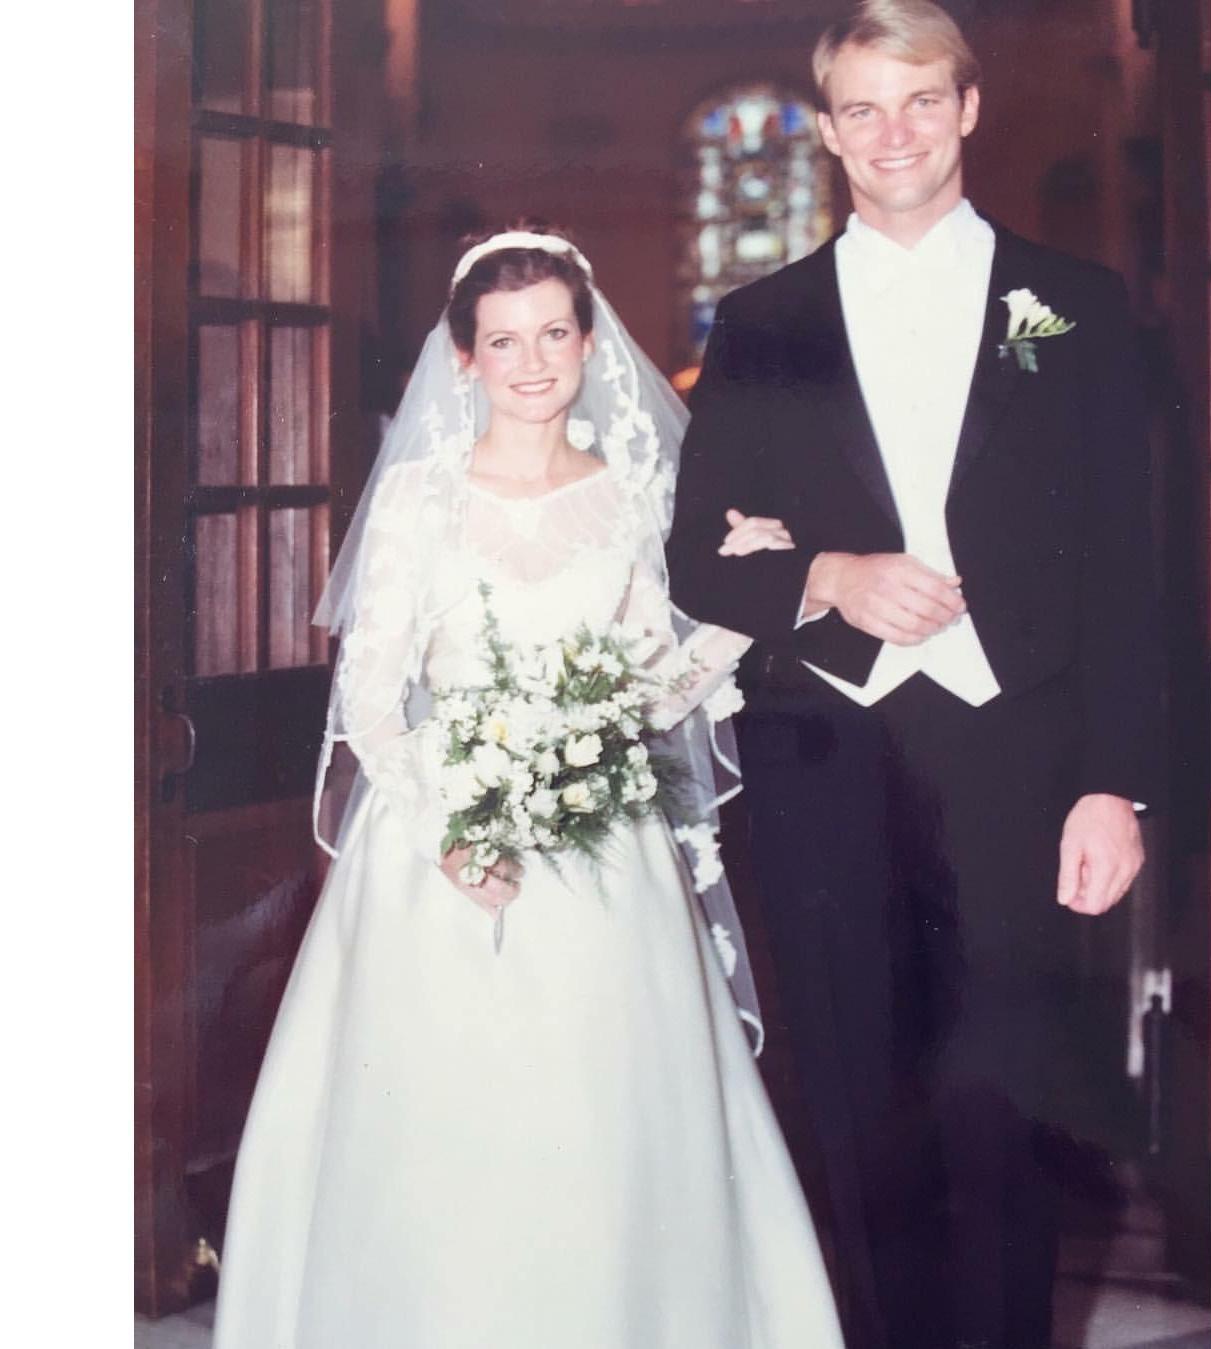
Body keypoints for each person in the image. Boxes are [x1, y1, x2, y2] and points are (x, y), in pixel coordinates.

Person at [211, 227, 846, 1349]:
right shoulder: (418, 498)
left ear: (589, 339)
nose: (533, 359)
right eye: (503, 340)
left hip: (604, 844)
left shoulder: (638, 493)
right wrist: (449, 830)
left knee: (604, 1127)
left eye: (554, 331)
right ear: (463, 358)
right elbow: (370, 700)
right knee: (451, 1130)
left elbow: (652, 681)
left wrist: (744, 614)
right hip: (438, 848)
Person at [665, 3, 1163, 1347]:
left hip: (1022, 765)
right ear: (828, 132)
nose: (896, 136)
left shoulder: (1078, 309)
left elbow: (1136, 570)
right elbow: (694, 561)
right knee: (859, 1122)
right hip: (823, 757)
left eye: (923, 103)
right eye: (865, 110)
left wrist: (1116, 786)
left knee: (1003, 1118)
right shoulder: (761, 319)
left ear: (970, 110)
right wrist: (825, 574)